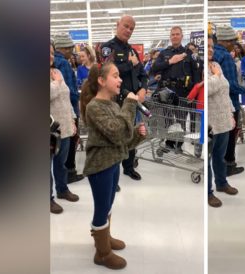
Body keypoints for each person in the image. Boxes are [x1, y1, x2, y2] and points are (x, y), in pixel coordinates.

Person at [80, 62, 147, 270]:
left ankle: (105, 238)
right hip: (100, 167)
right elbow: (117, 131)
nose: (120, 80)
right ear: (101, 81)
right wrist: (130, 104)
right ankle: (102, 253)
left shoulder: (112, 105)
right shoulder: (94, 107)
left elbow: (120, 139)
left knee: (108, 205)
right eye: (115, 76)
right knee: (101, 208)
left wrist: (136, 134)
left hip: (113, 162)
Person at [100, 14, 148, 184]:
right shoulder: (107, 48)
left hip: (134, 101)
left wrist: (143, 89)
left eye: (131, 28)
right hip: (116, 102)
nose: (128, 30)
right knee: (115, 137)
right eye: (126, 26)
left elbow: (143, 74)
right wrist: (130, 64)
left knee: (132, 134)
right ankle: (112, 175)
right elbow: (107, 71)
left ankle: (129, 168)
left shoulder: (133, 50)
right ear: (117, 24)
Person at [151, 26, 201, 153]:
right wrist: (170, 62)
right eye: (172, 34)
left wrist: (194, 94)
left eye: (177, 34)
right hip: (166, 92)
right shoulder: (164, 53)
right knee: (168, 119)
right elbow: (154, 69)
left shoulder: (188, 54)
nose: (174, 36)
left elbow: (195, 74)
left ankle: (178, 144)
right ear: (170, 36)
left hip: (183, 92)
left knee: (181, 120)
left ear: (181, 36)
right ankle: (169, 143)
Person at [50, 43, 80, 214]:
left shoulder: (57, 72)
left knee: (61, 163)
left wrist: (73, 120)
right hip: (49, 129)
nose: (51, 56)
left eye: (52, 53)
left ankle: (62, 190)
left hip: (65, 126)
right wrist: (56, 83)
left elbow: (66, 98)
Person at [213, 25, 245, 177]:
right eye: (233, 40)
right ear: (225, 41)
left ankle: (221, 167)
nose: (235, 44)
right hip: (229, 103)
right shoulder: (225, 57)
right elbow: (230, 85)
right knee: (230, 135)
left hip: (216, 103)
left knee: (220, 137)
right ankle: (229, 166)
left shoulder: (212, 55)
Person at [53, 33, 85, 184]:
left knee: (60, 147)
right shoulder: (63, 64)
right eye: (70, 48)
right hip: (67, 111)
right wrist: (75, 109)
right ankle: (69, 174)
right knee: (70, 143)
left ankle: (62, 180)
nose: (72, 51)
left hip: (56, 113)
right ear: (64, 48)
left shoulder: (55, 65)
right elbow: (70, 92)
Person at [208, 36, 236, 206]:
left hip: (223, 119)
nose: (211, 49)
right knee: (210, 156)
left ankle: (222, 183)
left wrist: (231, 112)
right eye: (208, 47)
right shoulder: (202, 68)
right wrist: (217, 76)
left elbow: (225, 89)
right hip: (210, 122)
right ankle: (208, 193)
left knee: (220, 156)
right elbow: (208, 89)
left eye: (212, 46)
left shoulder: (216, 65)